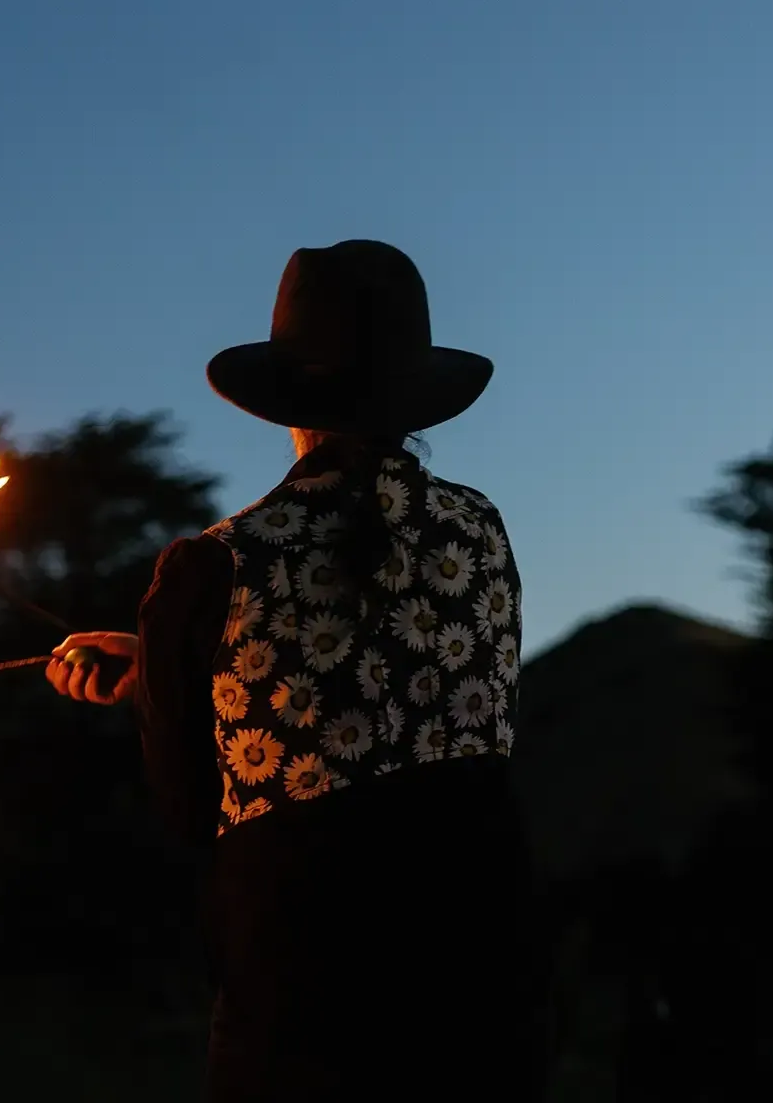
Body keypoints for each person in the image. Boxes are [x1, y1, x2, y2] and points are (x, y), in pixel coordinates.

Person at [46, 240, 545, 1101]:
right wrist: (168, 667)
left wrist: (165, 681)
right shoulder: (480, 530)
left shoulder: (213, 567)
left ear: (287, 399)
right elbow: (387, 670)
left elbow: (192, 805)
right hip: (483, 972)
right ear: (411, 393)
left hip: (311, 995)